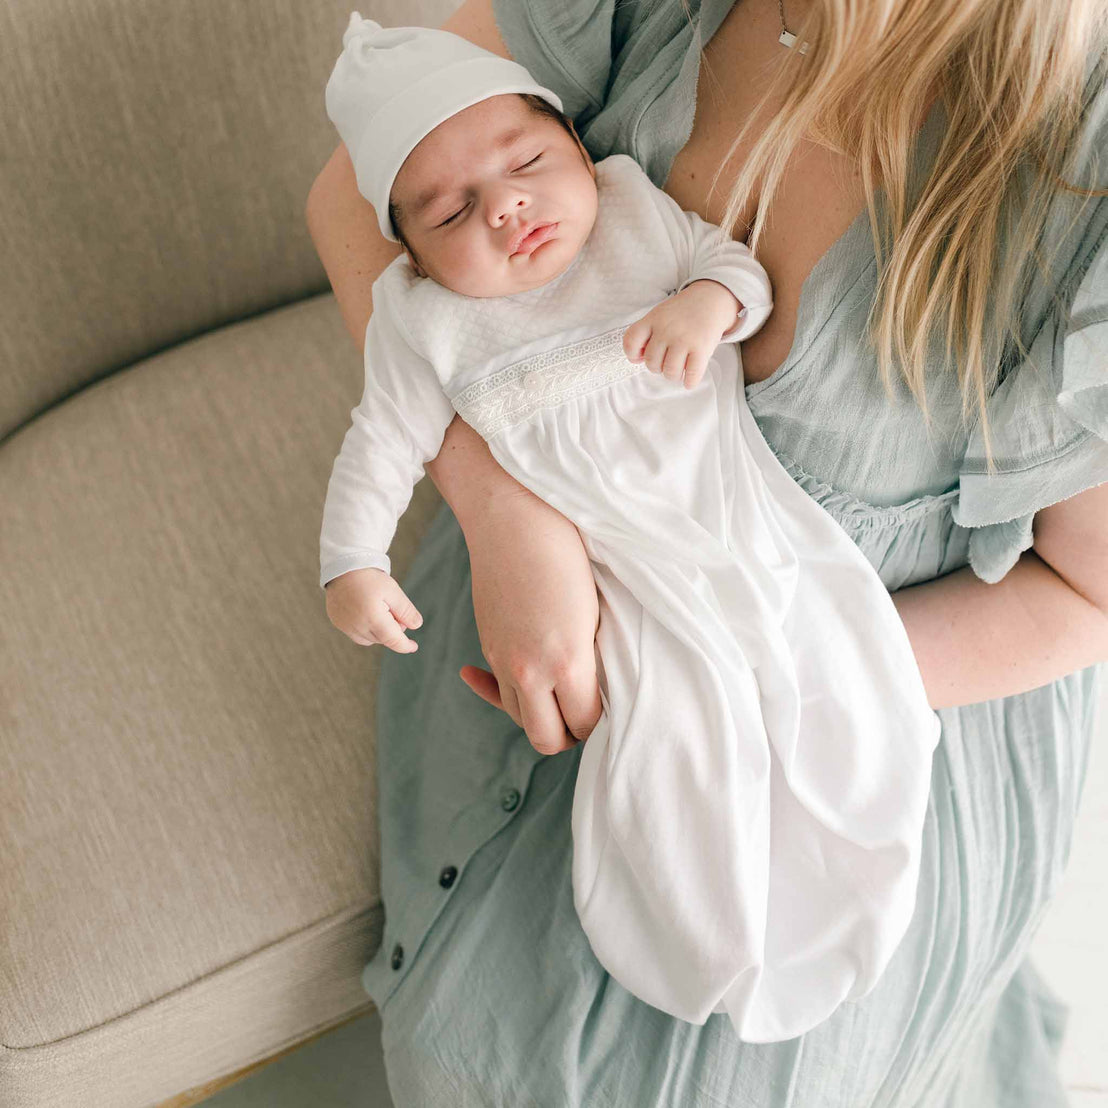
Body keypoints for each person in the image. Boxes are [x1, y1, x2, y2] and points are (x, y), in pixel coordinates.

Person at [305, 0, 1108, 1102]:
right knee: (466, 1050)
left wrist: (718, 677)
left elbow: (1086, 592)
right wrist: (505, 516)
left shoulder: (1081, 138)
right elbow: (353, 196)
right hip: (536, 650)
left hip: (848, 731)